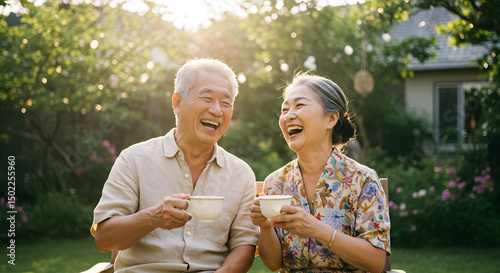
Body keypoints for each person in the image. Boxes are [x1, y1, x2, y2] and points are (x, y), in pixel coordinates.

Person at [91, 58, 259, 273]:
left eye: (226, 103)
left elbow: (245, 244)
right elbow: (104, 240)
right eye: (207, 98)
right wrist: (153, 217)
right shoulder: (134, 159)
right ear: (177, 103)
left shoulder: (241, 173)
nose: (217, 110)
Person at [250, 72, 391, 273]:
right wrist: (264, 226)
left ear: (331, 119)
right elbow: (274, 264)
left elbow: (376, 262)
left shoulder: (363, 180)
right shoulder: (275, 182)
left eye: (299, 105)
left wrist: (316, 229)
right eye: (284, 109)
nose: (288, 115)